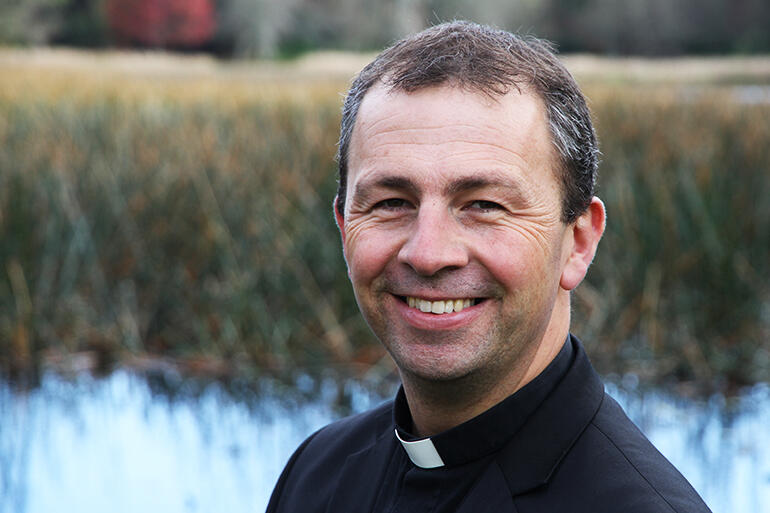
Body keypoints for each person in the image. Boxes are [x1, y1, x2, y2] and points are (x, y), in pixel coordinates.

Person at [266, 21, 712, 513]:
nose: (429, 253)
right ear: (344, 226)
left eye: (484, 205)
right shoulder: (316, 474)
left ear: (578, 242)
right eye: (392, 202)